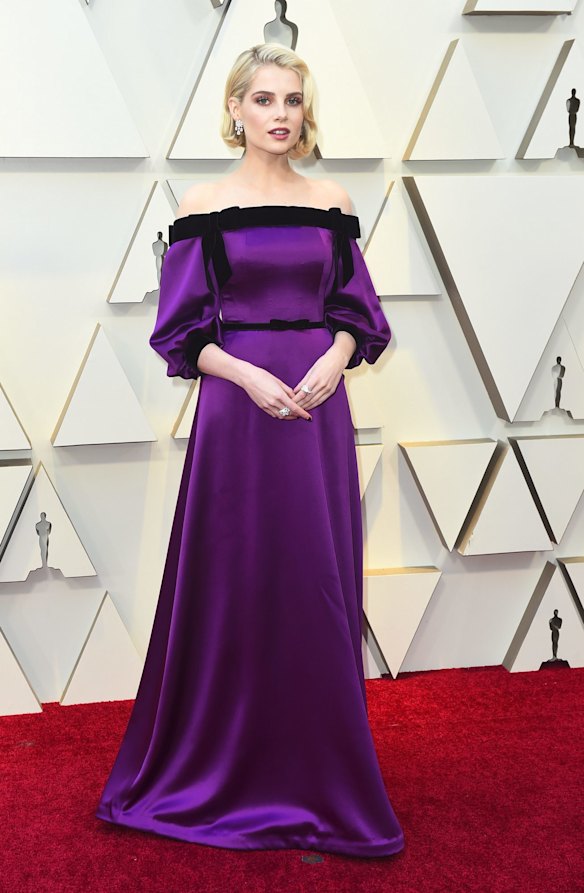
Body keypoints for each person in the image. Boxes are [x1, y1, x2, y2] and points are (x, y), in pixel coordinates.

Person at [95, 42, 405, 859]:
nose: (278, 114)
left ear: (306, 114)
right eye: (263, 99)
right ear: (235, 110)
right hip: (238, 407)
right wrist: (245, 376)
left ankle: (320, 769)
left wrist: (333, 362)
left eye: (292, 101)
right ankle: (222, 758)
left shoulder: (332, 199)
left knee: (317, 579)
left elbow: (357, 313)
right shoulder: (203, 202)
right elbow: (182, 330)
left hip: (317, 408)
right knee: (234, 576)